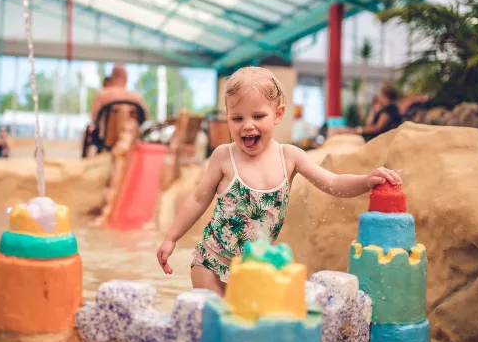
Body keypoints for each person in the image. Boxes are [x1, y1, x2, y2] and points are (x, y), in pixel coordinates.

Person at [155, 66, 402, 296]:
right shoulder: (223, 156)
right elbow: (198, 199)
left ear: (278, 114)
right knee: (212, 327)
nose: (247, 125)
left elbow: (334, 183)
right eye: (237, 118)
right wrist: (171, 238)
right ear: (227, 118)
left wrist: (366, 180)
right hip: (211, 262)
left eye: (258, 116)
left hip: (253, 272)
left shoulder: (289, 157)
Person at [335, 83, 402, 142]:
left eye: (380, 93)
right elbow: (369, 124)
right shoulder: (385, 108)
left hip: (382, 141)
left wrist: (355, 130)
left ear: (385, 95)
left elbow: (377, 128)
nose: (378, 96)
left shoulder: (390, 107)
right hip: (377, 138)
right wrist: (373, 111)